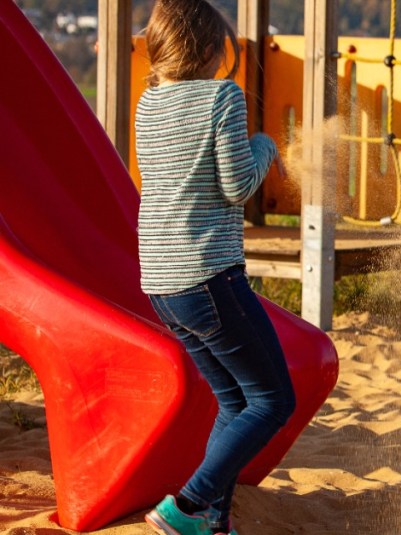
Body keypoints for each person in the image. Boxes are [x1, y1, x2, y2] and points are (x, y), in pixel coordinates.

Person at [134, 1, 295, 534]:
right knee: (273, 399)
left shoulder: (147, 103)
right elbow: (237, 186)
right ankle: (187, 503)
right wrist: (265, 146)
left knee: (234, 399)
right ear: (209, 49)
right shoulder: (221, 96)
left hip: (161, 281)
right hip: (207, 275)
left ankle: (213, 521)